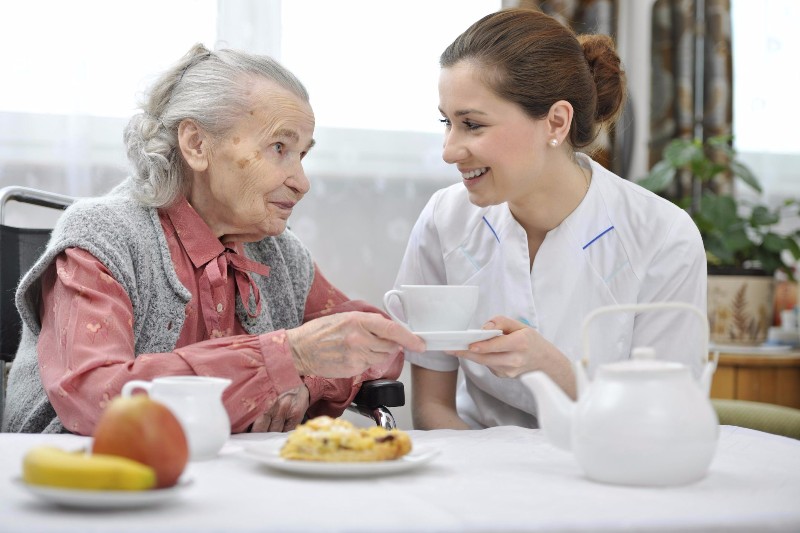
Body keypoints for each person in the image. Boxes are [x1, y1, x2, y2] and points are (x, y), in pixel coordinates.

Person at [3, 44, 425, 435]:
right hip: (85, 479)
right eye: (279, 147)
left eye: (303, 155)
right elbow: (97, 395)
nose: (301, 182)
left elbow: (378, 342)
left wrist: (308, 379)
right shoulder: (103, 236)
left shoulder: (278, 251)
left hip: (225, 484)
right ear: (197, 143)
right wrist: (286, 357)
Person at [391, 8, 707, 430]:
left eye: (472, 124)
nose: (449, 149)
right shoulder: (444, 219)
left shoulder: (663, 237)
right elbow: (434, 409)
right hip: (473, 468)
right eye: (447, 123)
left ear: (555, 121)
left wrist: (550, 366)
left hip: (609, 471)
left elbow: (664, 419)